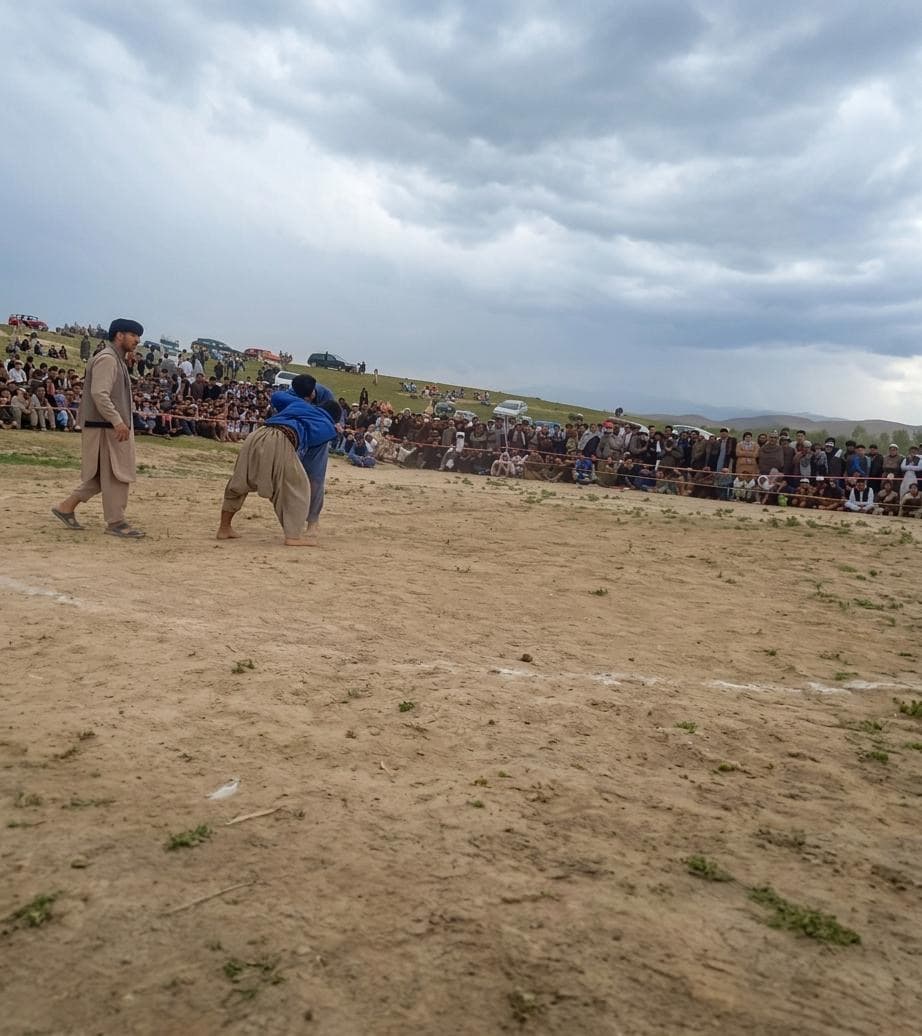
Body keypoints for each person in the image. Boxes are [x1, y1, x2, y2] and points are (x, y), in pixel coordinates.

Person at [217, 374, 341, 546]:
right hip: (282, 440)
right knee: (297, 488)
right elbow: (309, 450)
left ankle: (224, 528)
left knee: (239, 481)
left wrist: (303, 403)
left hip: (257, 435)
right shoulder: (328, 428)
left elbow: (276, 397)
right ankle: (293, 536)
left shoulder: (297, 403)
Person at [52, 318, 146, 538]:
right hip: (106, 427)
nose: (137, 340)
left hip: (108, 426)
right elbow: (99, 394)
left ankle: (66, 507)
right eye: (133, 335)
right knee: (116, 474)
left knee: (102, 475)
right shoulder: (107, 359)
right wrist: (117, 420)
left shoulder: (116, 359)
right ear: (119, 335)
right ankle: (116, 522)